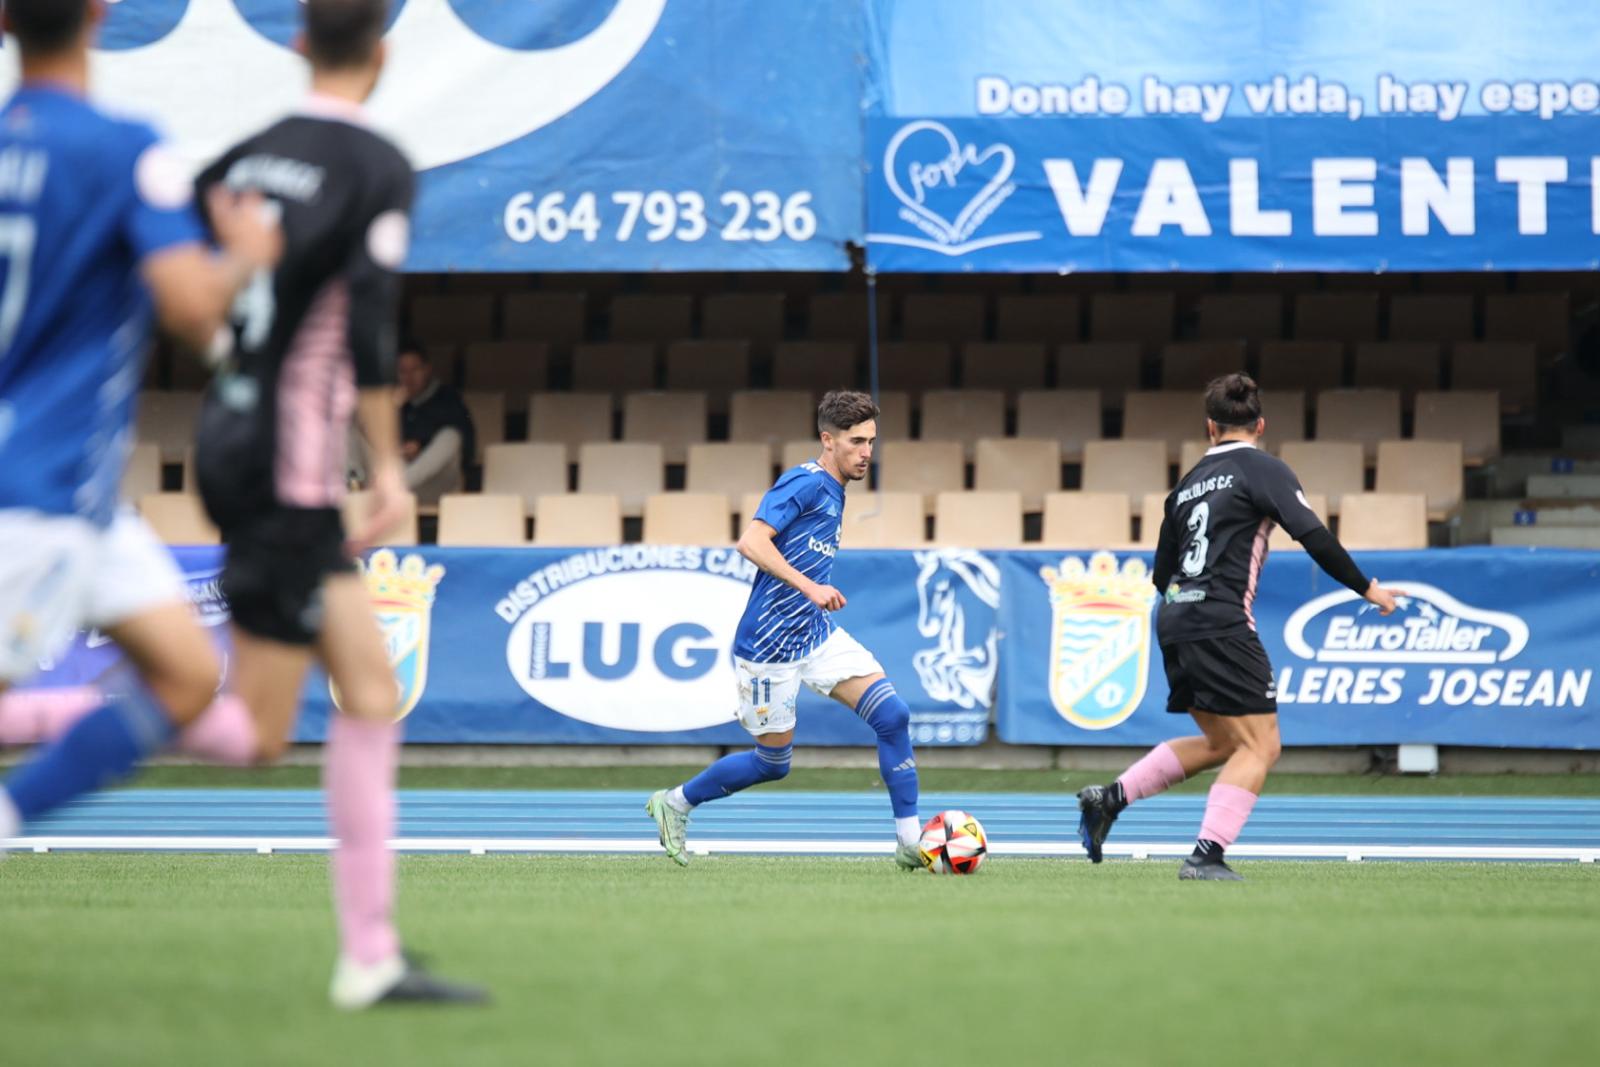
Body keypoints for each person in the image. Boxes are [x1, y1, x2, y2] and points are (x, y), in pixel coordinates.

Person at [192, 0, 485, 1007]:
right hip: (290, 467)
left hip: (227, 433)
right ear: (386, 50)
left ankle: (371, 955)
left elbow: (202, 287)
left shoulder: (239, 160)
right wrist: (390, 468)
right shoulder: (374, 165)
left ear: (295, 43)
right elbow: (367, 323)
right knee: (251, 734)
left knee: (367, 690)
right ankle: (38, 725)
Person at [0, 0, 279, 859]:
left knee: (189, 675)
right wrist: (247, 255)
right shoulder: (127, 149)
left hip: (81, 499)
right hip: (34, 483)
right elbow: (194, 310)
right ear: (100, 14)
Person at [1076, 374, 1401, 880]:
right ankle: (1206, 856)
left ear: (1210, 428)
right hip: (1222, 619)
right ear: (1261, 425)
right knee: (1262, 744)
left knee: (1224, 743)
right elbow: (1314, 536)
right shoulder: (1265, 470)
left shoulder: (1183, 489)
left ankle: (1110, 798)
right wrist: (1367, 589)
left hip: (1176, 617)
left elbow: (1162, 574)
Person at [646, 390, 925, 869]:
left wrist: (811, 599)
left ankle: (908, 844)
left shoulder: (837, 489)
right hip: (769, 646)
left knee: (893, 716)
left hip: (814, 633)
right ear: (827, 440)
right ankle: (674, 804)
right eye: (857, 442)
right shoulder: (804, 483)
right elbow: (751, 541)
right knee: (773, 764)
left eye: (872, 442)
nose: (867, 453)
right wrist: (810, 586)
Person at [397, 342, 474, 505]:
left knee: (451, 436)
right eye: (403, 371)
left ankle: (396, 485)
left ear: (427, 369)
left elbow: (466, 444)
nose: (409, 377)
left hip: (437, 484)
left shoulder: (448, 398)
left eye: (415, 370)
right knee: (352, 429)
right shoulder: (391, 401)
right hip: (397, 472)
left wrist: (421, 446)